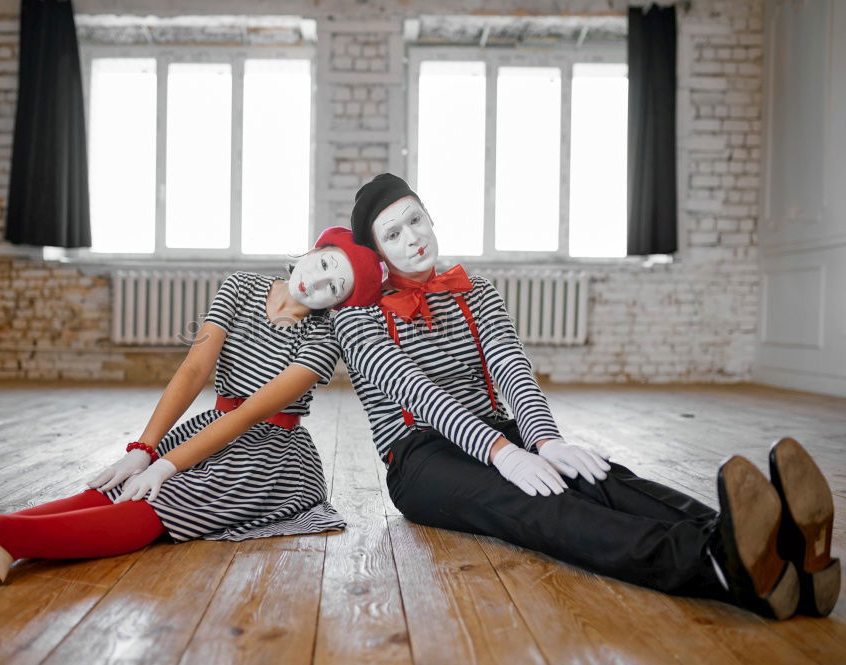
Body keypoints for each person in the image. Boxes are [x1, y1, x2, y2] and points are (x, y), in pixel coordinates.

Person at [332, 172, 839, 620]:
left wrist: (546, 442)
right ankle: (715, 561)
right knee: (539, 503)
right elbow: (415, 392)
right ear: (376, 252)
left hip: (495, 429)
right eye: (393, 233)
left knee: (598, 477)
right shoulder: (355, 316)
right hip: (420, 456)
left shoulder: (474, 290)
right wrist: (503, 454)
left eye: (416, 219)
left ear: (430, 216)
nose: (413, 238)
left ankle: (777, 549)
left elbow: (511, 367)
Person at [0, 226, 385, 585]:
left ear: (340, 300)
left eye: (333, 285)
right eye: (323, 265)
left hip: (271, 455)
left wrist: (168, 465)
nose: (316, 282)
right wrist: (145, 448)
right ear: (311, 250)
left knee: (158, 504)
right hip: (213, 426)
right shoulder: (241, 286)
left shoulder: (325, 337)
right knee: (112, 486)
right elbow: (193, 371)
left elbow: (250, 414)